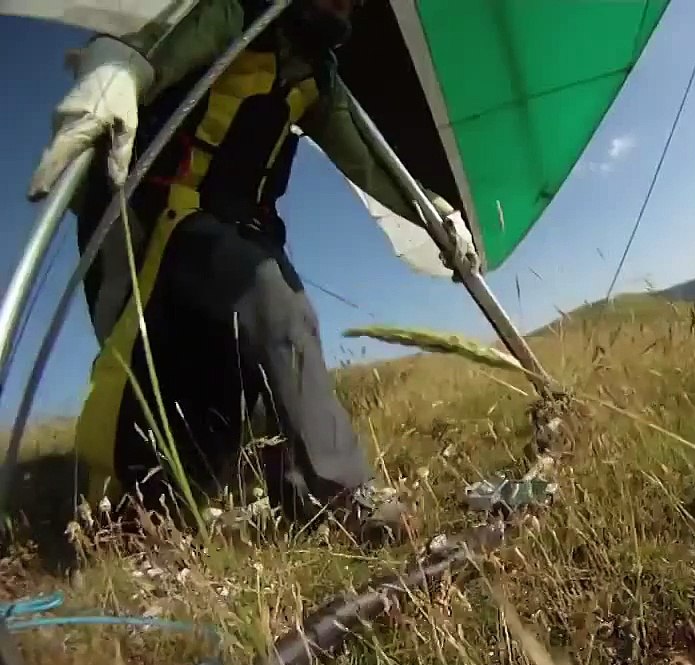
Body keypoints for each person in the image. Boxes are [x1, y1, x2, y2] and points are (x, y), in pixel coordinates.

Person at [26, 0, 463, 545]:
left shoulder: (320, 82)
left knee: (246, 379)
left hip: (248, 227)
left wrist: (435, 214)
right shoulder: (234, 15)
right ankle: (342, 497)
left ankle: (242, 494)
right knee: (273, 300)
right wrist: (117, 69)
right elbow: (159, 47)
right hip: (174, 217)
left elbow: (371, 162)